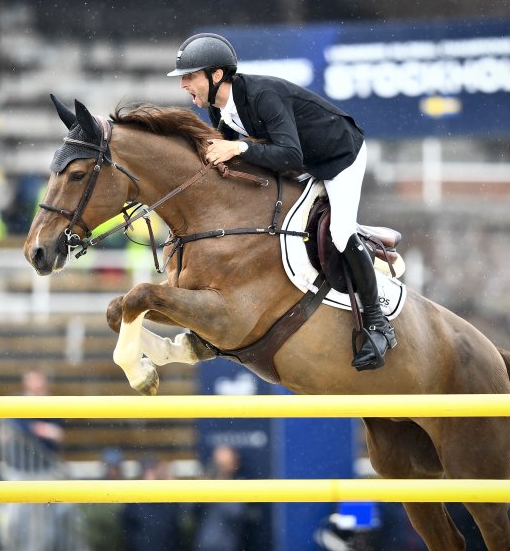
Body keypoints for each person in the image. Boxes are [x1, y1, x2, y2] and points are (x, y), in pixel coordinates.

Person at [167, 33, 396, 370]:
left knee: (341, 232)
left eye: (190, 76)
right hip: (305, 160)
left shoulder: (262, 96)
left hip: (339, 157)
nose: (184, 85)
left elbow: (288, 154)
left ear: (216, 76)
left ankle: (379, 324)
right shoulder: (223, 109)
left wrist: (239, 147)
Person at [192, 445, 247, 551]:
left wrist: (219, 488)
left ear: (234, 464)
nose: (220, 467)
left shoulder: (237, 485)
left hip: (227, 546)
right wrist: (201, 489)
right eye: (217, 463)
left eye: (224, 463)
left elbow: (237, 513)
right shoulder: (206, 484)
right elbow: (189, 512)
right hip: (204, 545)